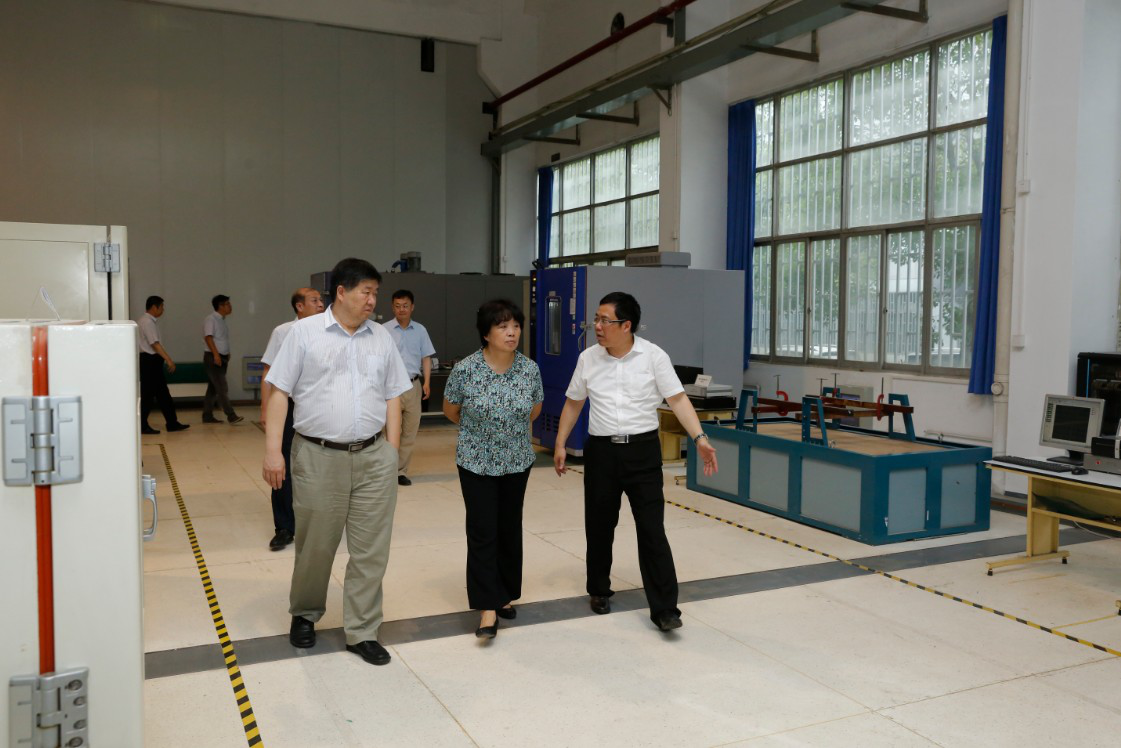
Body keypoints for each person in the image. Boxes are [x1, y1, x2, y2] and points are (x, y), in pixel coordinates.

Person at [262, 258, 411, 667]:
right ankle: (305, 613)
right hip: (317, 455)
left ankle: (362, 629)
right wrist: (273, 451)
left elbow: (393, 395)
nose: (373, 300)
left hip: (373, 457)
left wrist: (391, 451)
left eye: (376, 293)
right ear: (341, 292)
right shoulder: (303, 333)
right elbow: (279, 393)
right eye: (366, 292)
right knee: (316, 545)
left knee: (371, 550)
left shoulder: (381, 337)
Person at [553, 292, 719, 633]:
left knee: (652, 529)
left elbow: (678, 400)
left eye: (604, 320)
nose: (597, 326)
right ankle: (599, 589)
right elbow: (574, 402)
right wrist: (560, 442)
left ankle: (665, 609)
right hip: (601, 452)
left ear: (626, 325)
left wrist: (699, 438)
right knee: (599, 525)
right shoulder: (588, 358)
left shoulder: (653, 356)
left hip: (643, 452)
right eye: (596, 319)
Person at [443, 299, 542, 639]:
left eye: (515, 326)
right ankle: (487, 606)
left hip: (517, 460)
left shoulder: (529, 369)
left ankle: (505, 594)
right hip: (476, 461)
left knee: (509, 528)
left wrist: (507, 431)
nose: (511, 332)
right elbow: (451, 410)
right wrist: (482, 432)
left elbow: (534, 410)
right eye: (502, 326)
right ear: (486, 333)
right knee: (483, 530)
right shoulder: (466, 369)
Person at [259, 287, 325, 551]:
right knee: (281, 464)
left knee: (319, 464)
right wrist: (265, 408)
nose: (321, 304)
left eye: (321, 300)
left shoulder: (329, 331)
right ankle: (285, 526)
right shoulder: (283, 332)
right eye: (314, 300)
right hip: (287, 406)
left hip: (318, 408)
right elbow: (268, 370)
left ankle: (319, 523)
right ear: (299, 306)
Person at [382, 289, 436, 486]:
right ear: (392, 307)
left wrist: (427, 382)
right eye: (397, 306)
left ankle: (400, 471)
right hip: (390, 387)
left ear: (412, 307)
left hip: (413, 385)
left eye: (405, 306)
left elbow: (426, 357)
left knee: (409, 431)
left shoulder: (420, 330)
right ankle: (386, 471)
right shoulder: (384, 330)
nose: (401, 309)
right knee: (388, 431)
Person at [136, 295, 190, 435]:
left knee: (163, 394)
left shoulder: (145, 321)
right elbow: (154, 344)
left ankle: (172, 422)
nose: (163, 310)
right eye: (162, 307)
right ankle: (142, 425)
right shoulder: (147, 322)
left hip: (150, 361)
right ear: (155, 307)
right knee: (148, 395)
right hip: (150, 361)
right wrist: (168, 359)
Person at [202, 294, 244, 424]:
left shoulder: (222, 320)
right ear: (220, 306)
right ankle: (231, 415)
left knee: (213, 389)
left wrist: (227, 353)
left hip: (222, 357)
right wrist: (216, 354)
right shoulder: (211, 319)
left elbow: (221, 339)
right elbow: (208, 337)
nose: (230, 306)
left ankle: (207, 415)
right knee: (222, 387)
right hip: (213, 357)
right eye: (227, 304)